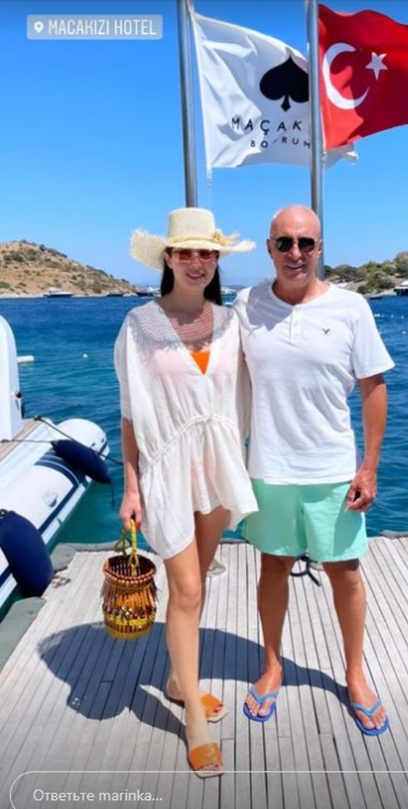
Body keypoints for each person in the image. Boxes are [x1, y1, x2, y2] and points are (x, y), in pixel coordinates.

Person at [234, 204, 394, 736]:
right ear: (269, 248)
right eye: (284, 243)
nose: (295, 253)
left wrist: (369, 468)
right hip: (269, 469)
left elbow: (374, 388)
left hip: (332, 470)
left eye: (306, 243)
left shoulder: (351, 308)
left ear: (320, 248)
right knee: (273, 566)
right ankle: (272, 665)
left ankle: (355, 674)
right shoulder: (246, 305)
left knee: (344, 572)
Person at [114, 207, 258, 777]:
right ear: (169, 258)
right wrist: (131, 486)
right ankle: (193, 716)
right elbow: (131, 413)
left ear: (216, 261)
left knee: (196, 584)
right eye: (187, 252)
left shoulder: (231, 322)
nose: (198, 262)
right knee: (189, 588)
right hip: (167, 471)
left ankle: (178, 679)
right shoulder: (140, 326)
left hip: (218, 468)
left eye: (208, 254)